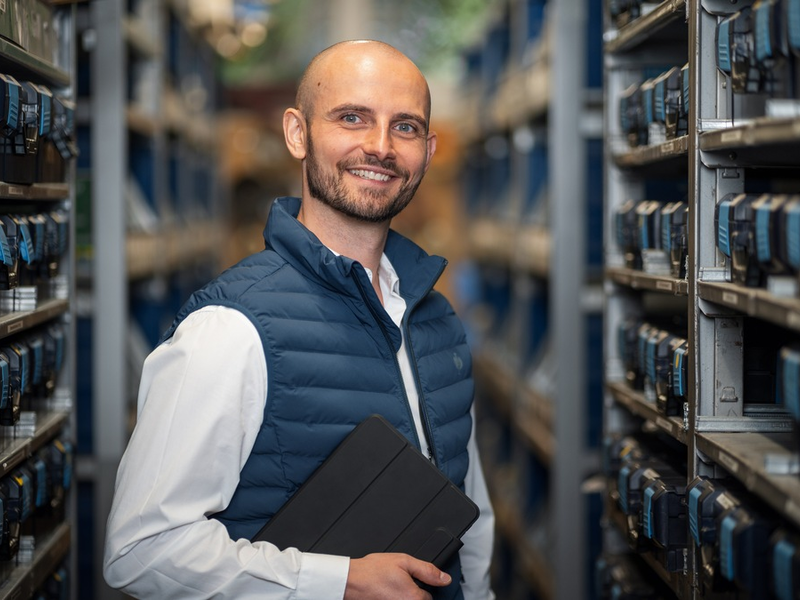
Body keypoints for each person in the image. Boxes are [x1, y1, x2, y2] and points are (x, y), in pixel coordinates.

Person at [103, 39, 495, 600]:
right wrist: (338, 581)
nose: (380, 147)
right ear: (296, 133)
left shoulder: (436, 323)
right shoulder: (228, 328)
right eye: (352, 118)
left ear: (429, 151)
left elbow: (469, 515)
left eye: (404, 127)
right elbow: (140, 551)